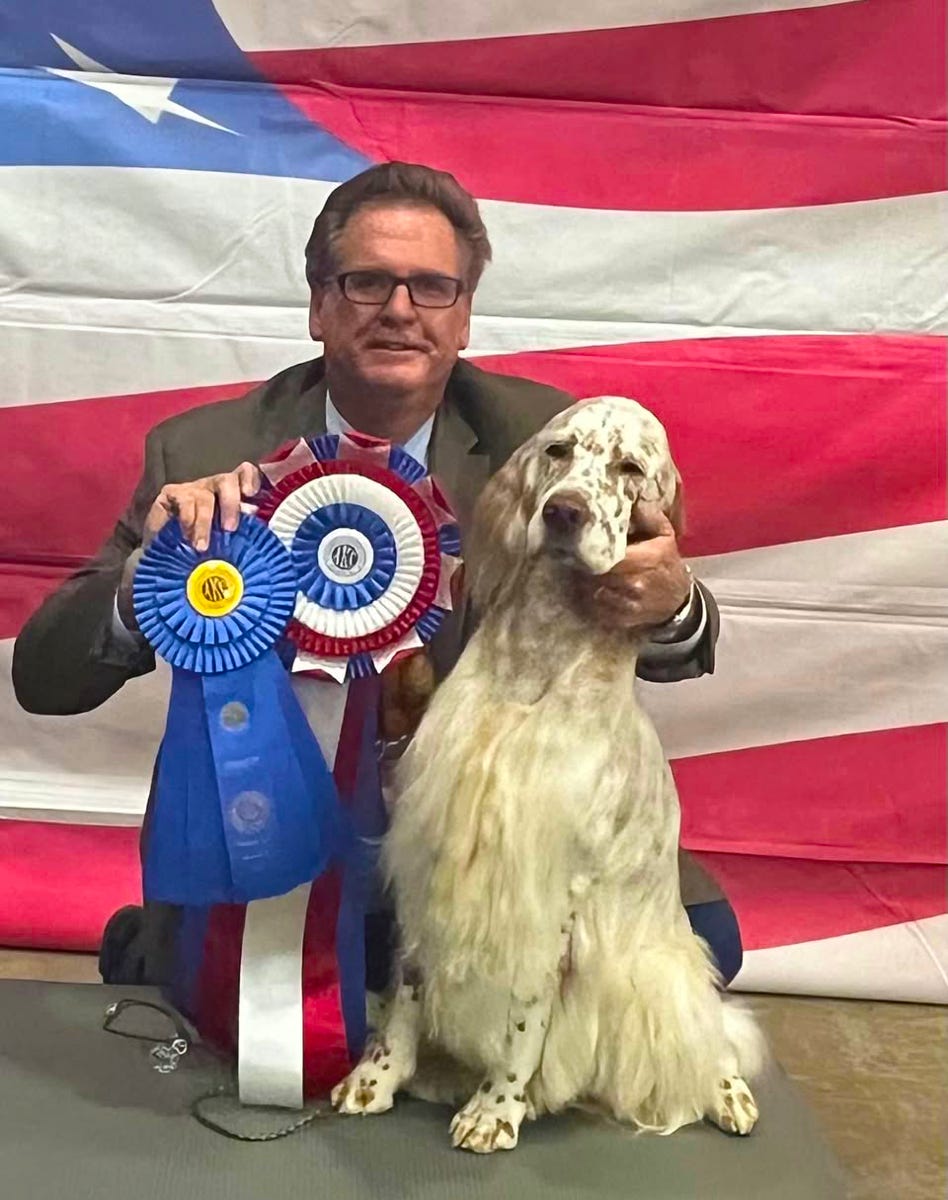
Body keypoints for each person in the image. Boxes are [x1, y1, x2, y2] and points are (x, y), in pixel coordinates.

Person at [12, 161, 741, 989]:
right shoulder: (206, 449)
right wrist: (151, 575)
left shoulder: (549, 441)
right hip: (276, 845)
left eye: (432, 287)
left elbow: (676, 648)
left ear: (463, 317)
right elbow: (46, 682)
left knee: (700, 948)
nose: (399, 309)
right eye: (366, 283)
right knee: (231, 985)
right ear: (319, 307)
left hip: (497, 835)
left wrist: (669, 601)